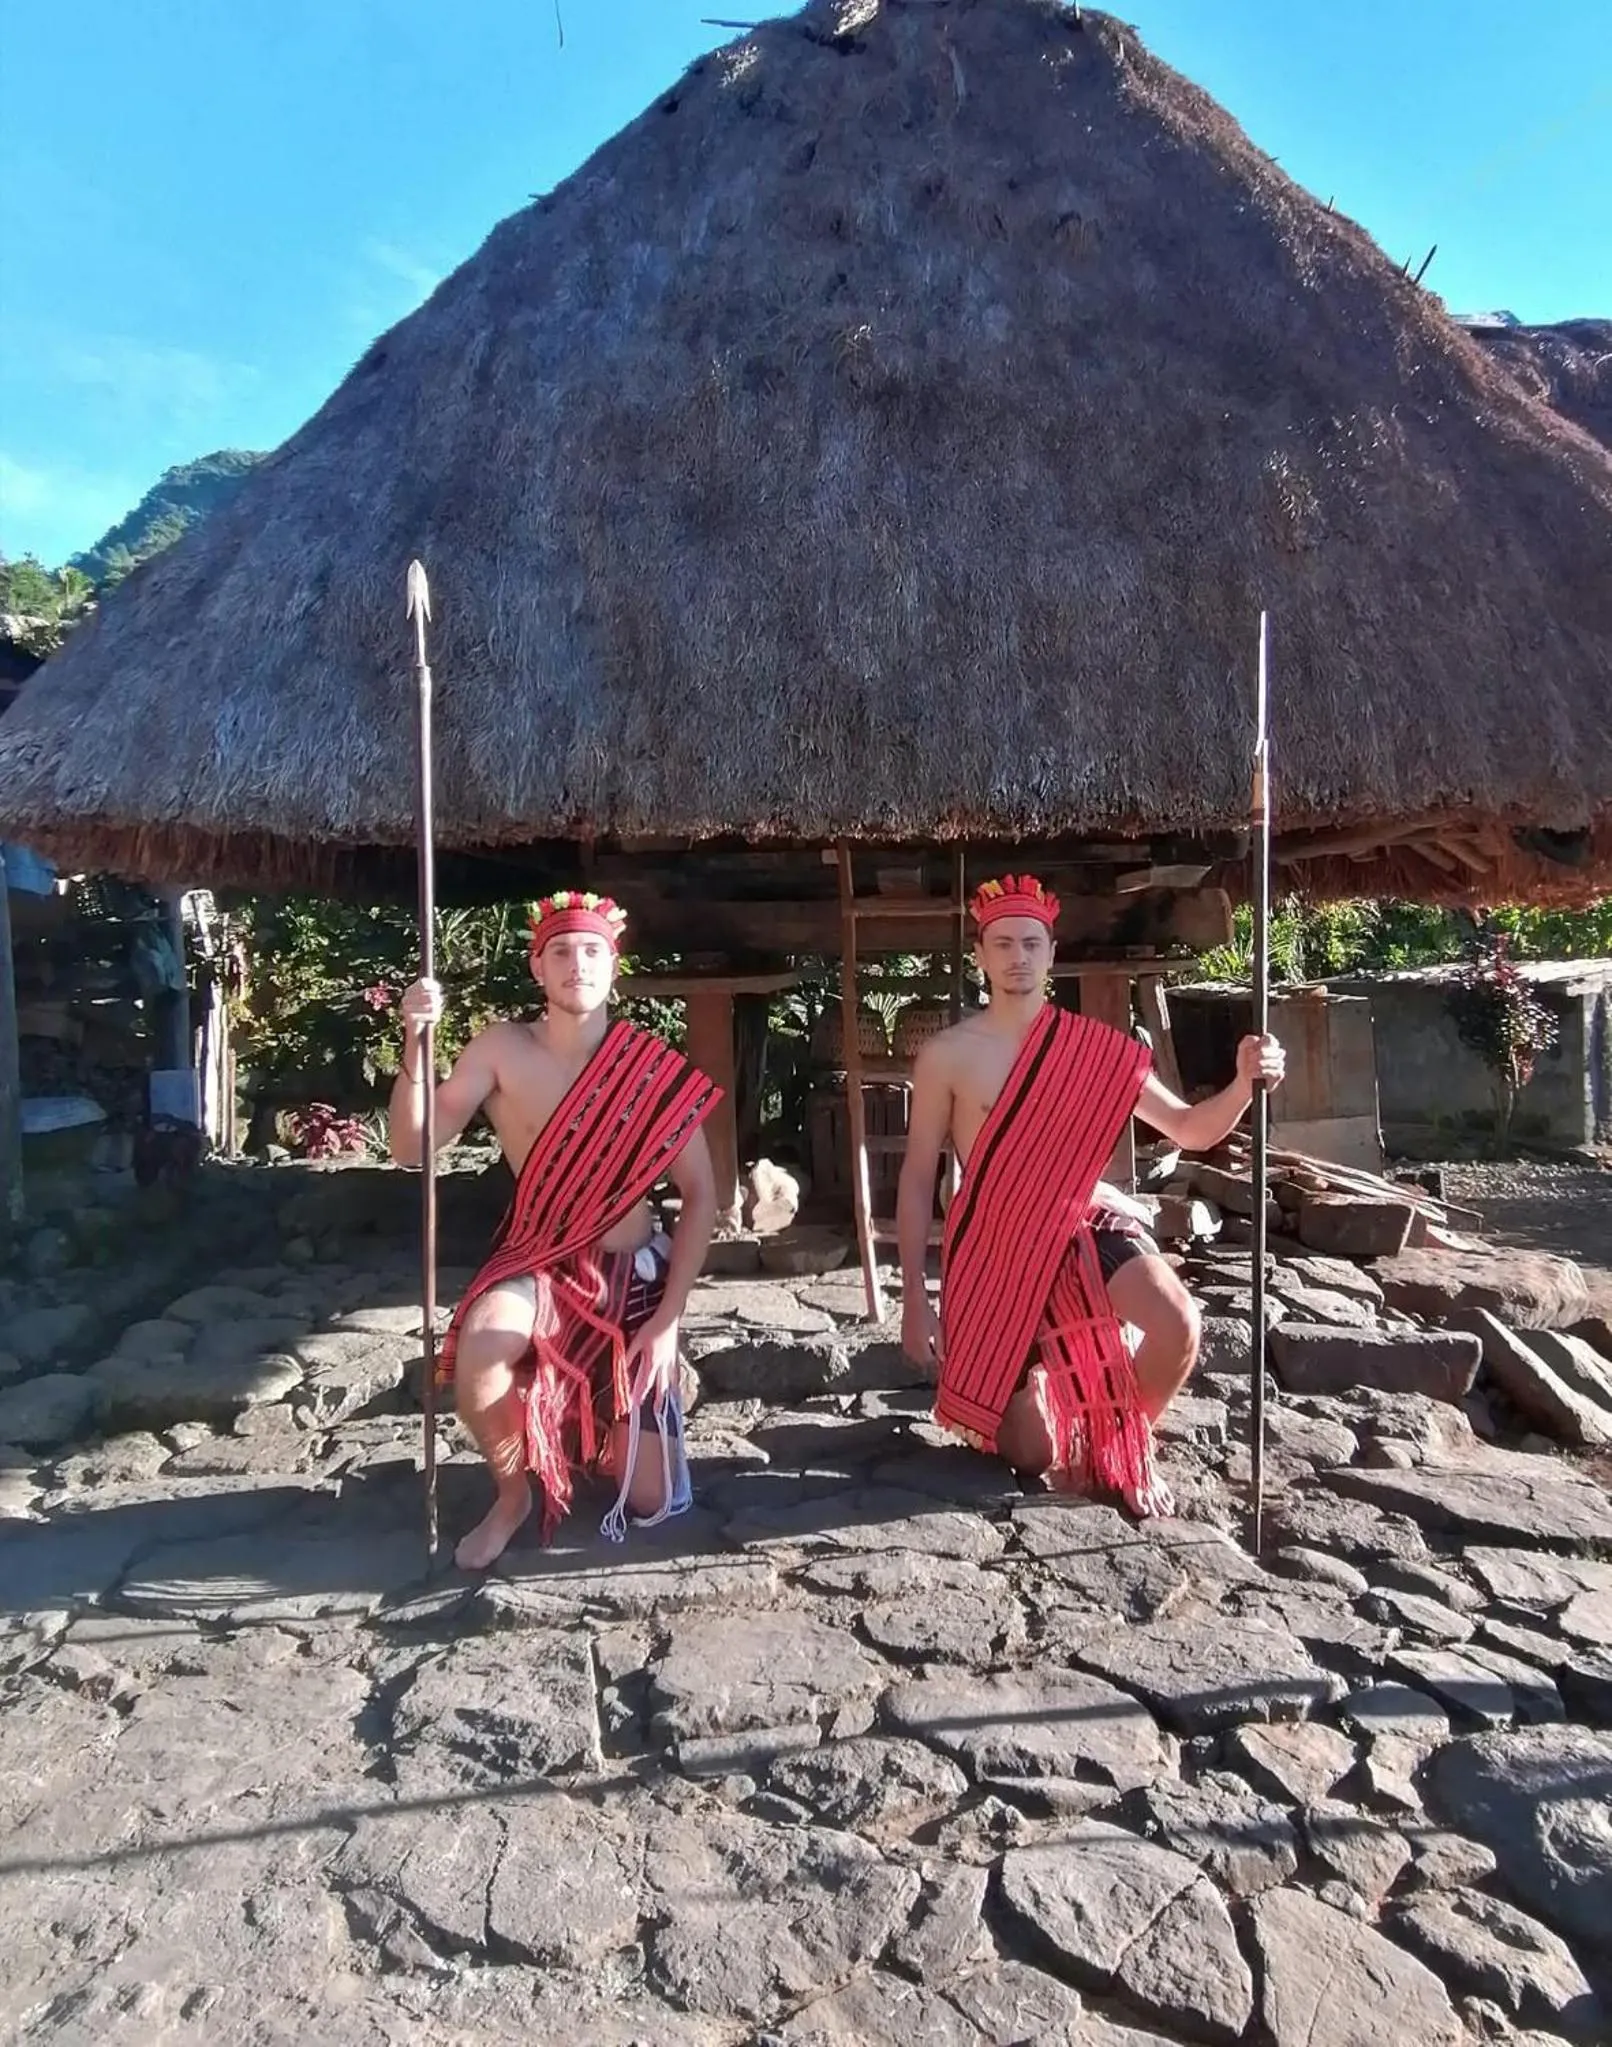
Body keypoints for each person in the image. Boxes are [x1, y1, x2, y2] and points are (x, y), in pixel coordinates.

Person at [897, 873, 1284, 1517]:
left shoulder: (1098, 1051)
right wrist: (914, 1298)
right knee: (1031, 1455)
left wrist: (1246, 1082)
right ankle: (1053, 1378)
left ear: (1052, 953)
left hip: (1083, 1219)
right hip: (996, 1247)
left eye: (1031, 943)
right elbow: (915, 1177)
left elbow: (1190, 1128)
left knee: (1177, 1324)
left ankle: (1124, 1441)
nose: (1017, 956)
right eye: (1002, 944)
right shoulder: (946, 1056)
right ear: (981, 956)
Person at [389, 889, 721, 1569]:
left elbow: (701, 1194)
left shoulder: (648, 1064)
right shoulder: (501, 1048)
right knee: (483, 1341)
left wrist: (667, 1323)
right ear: (537, 968)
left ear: (614, 966)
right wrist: (415, 1048)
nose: (578, 964)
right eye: (561, 952)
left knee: (646, 1495)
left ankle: (584, 1432)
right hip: (539, 1259)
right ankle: (512, 1496)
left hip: (631, 1273)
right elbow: (412, 1146)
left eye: (592, 951)